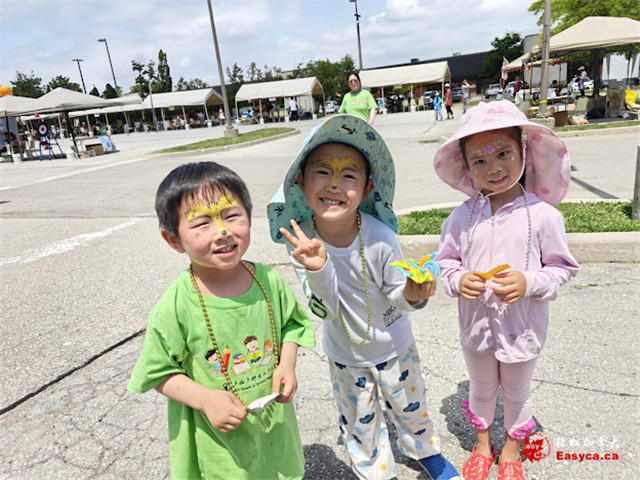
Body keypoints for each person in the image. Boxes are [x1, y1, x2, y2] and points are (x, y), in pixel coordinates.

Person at [267, 114, 460, 480]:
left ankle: (426, 451)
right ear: (301, 180)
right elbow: (324, 308)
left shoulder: (380, 236)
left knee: (411, 407)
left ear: (367, 187)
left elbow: (397, 291)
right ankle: (375, 471)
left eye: (349, 175)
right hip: (346, 354)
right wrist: (319, 268)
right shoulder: (301, 240)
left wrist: (413, 293)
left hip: (395, 345)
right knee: (359, 423)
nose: (334, 184)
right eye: (322, 172)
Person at [127, 161, 315, 480]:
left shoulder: (269, 281)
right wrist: (205, 399)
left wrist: (287, 364)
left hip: (273, 433)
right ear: (173, 240)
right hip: (219, 446)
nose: (222, 231)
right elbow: (157, 372)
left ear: (249, 216)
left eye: (231, 215)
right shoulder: (176, 305)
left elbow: (291, 326)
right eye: (202, 223)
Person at [432, 101, 580, 480]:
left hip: (522, 329)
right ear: (466, 167)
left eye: (503, 154)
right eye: (479, 160)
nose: (493, 168)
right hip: (476, 329)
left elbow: (561, 269)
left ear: (523, 151)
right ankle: (483, 445)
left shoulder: (544, 216)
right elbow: (445, 263)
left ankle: (511, 449)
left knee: (516, 392)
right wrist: (457, 280)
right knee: (482, 389)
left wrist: (529, 282)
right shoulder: (461, 218)